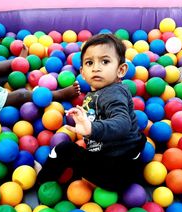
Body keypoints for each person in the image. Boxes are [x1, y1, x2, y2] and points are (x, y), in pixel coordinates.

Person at [37, 33, 147, 193]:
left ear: (121, 70)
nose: (96, 67)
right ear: (82, 71)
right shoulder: (98, 92)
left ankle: (42, 181)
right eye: (90, 63)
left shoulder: (113, 93)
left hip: (115, 172)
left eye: (105, 61)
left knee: (63, 149)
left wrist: (90, 129)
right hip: (115, 159)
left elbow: (123, 123)